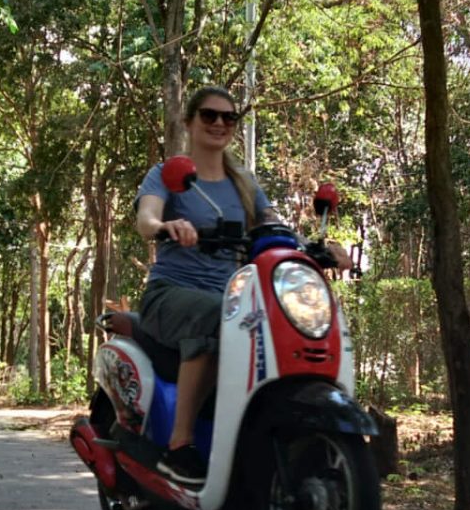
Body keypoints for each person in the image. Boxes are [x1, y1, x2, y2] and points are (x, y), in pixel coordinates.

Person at [133, 85, 351, 484]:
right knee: (216, 319)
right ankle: (179, 446)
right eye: (209, 116)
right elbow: (146, 218)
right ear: (190, 121)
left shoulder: (243, 183)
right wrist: (166, 225)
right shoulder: (170, 175)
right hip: (171, 292)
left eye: (228, 117)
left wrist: (318, 249)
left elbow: (274, 229)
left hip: (233, 295)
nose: (219, 123)